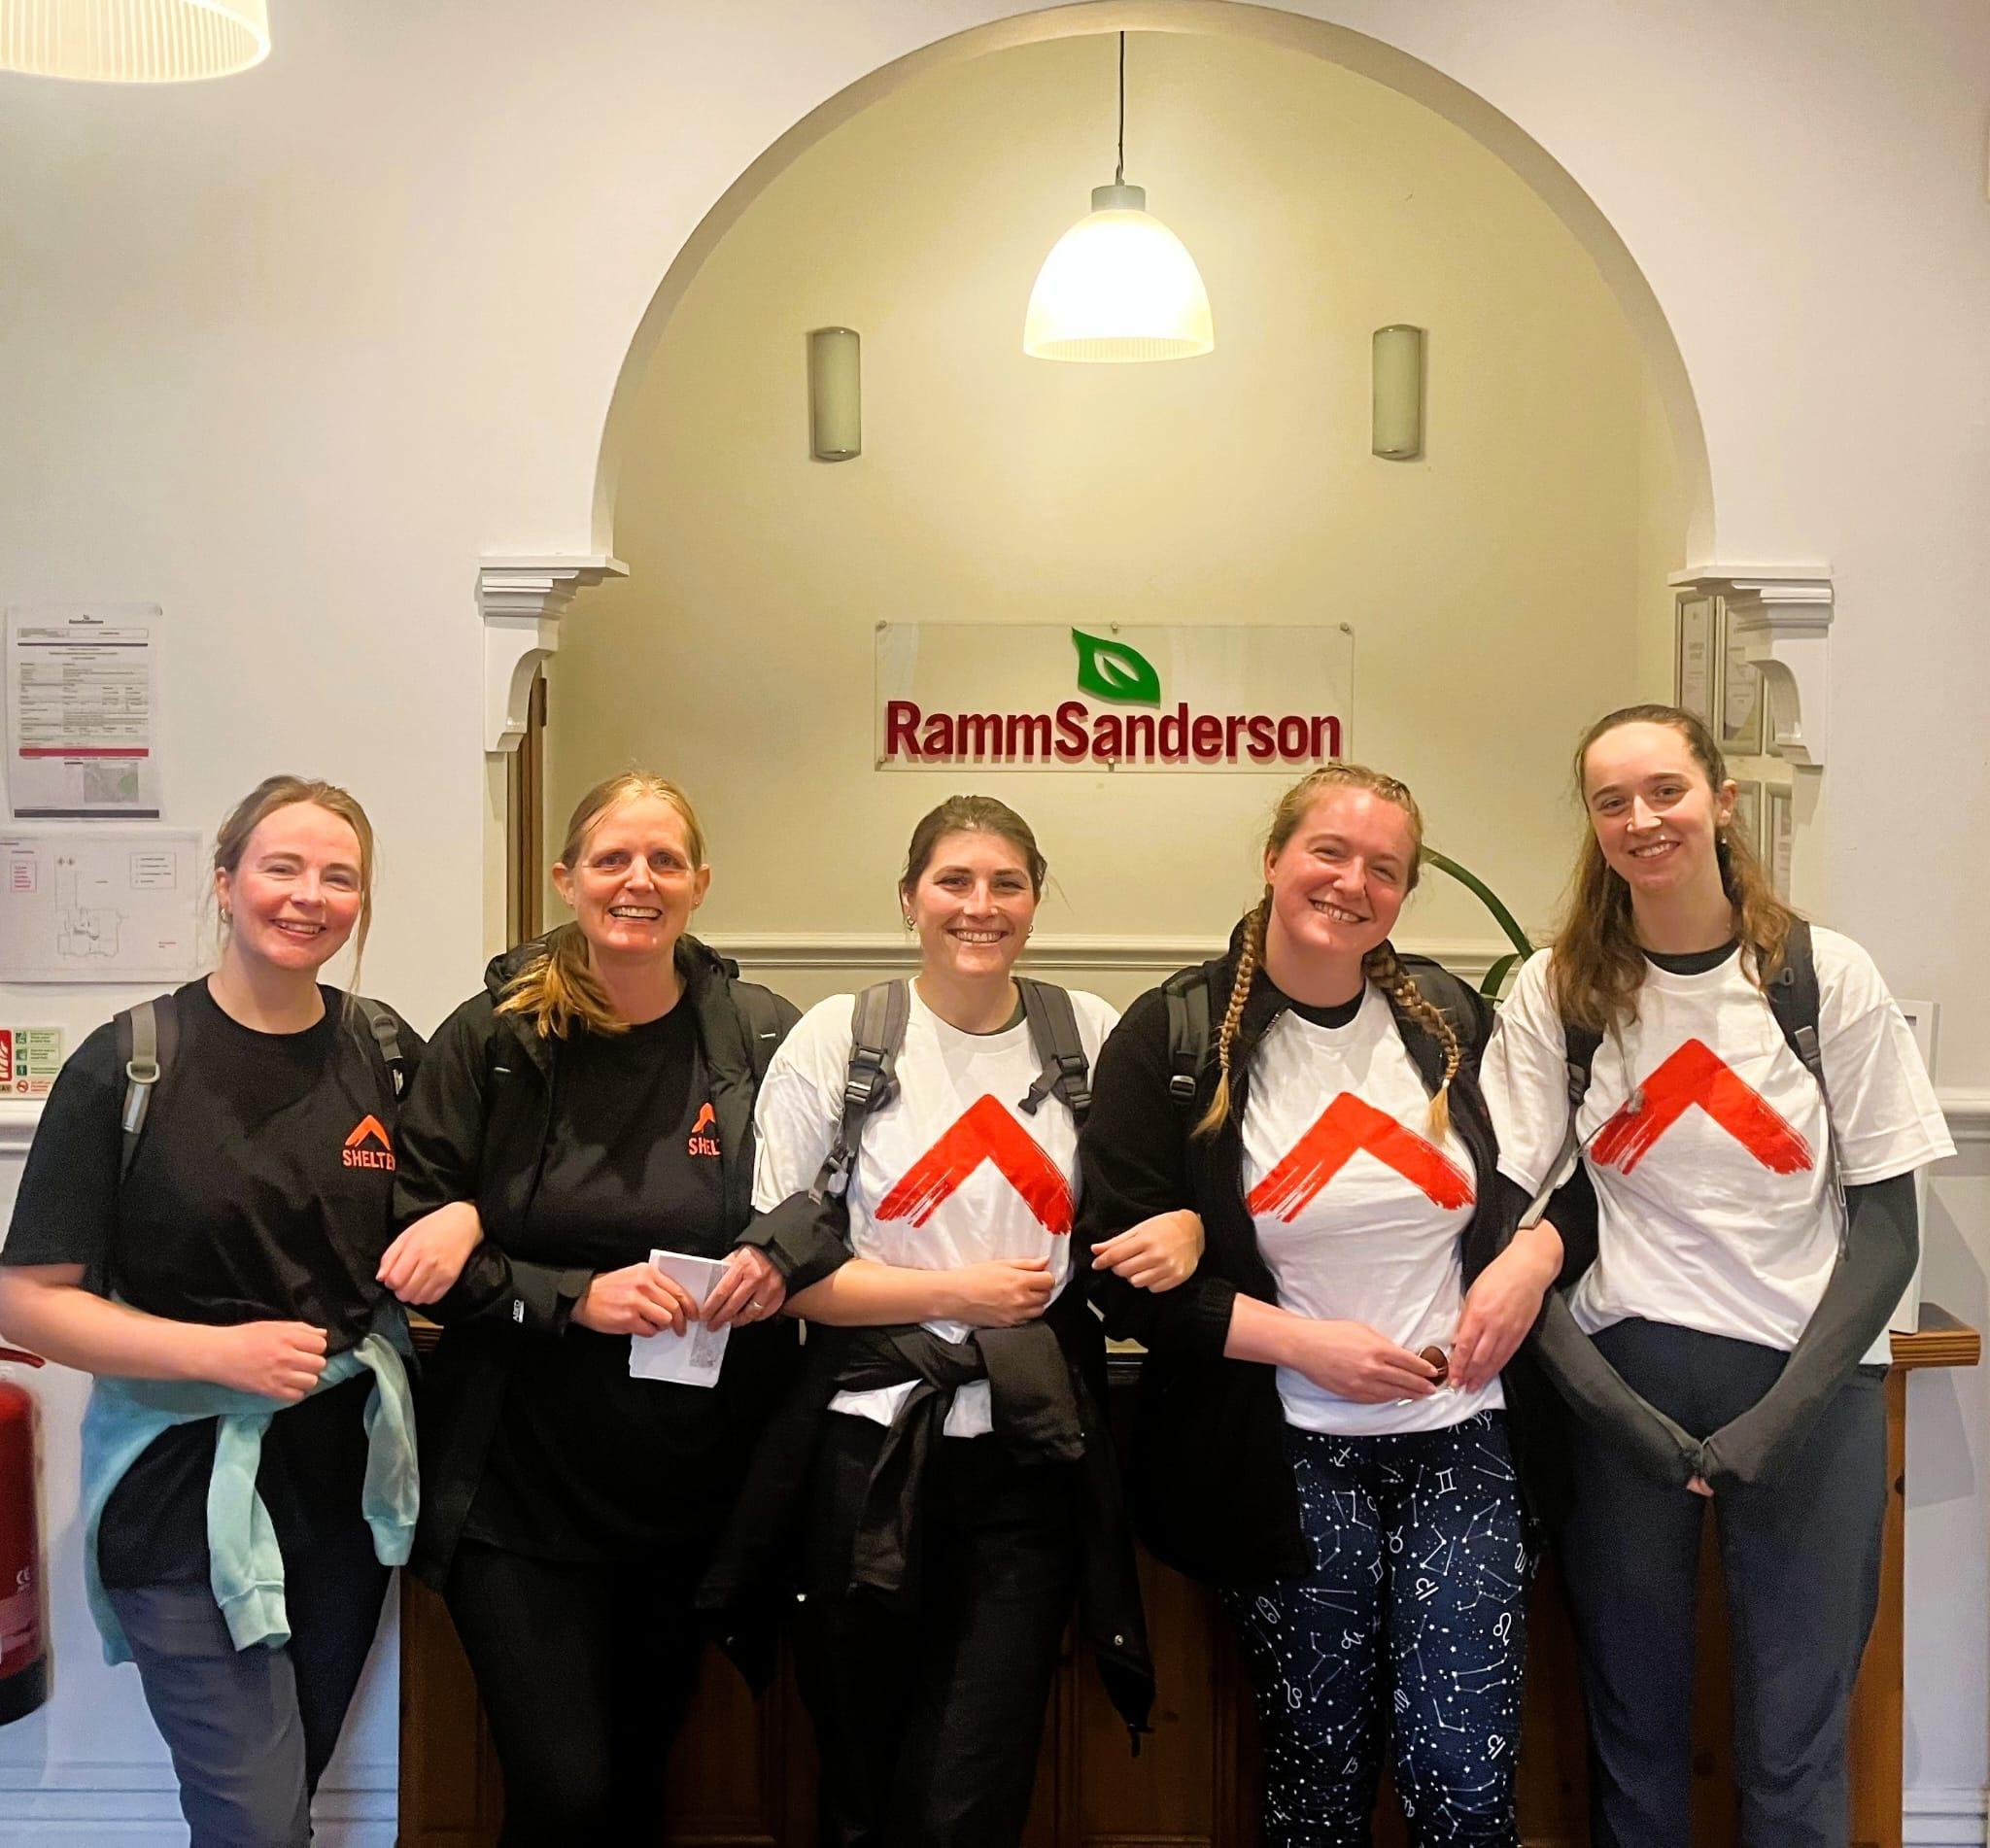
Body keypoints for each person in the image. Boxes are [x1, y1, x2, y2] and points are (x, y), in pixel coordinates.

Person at [1479, 703, 1954, 1848]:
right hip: (1621, 1384)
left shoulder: (1820, 977)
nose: (1641, 820)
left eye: (1665, 791)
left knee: (1794, 1745)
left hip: (1808, 1391)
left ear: (1719, 801)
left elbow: (1886, 1228)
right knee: (1632, 1733)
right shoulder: (1554, 991)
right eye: (1611, 802)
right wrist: (1617, 1420)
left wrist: (1775, 1423)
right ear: (1592, 825)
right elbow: (1507, 1226)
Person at [1078, 763, 1563, 1848]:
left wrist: (1531, 1262)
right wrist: (1305, 1345)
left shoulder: (1451, 1019)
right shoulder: (1171, 1033)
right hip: (1282, 1454)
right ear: (1272, 860)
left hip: (1463, 1438)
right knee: (1317, 1777)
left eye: (1383, 869)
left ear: (1404, 894)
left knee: (1462, 1778)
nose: (1352, 884)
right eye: (1328, 853)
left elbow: (1561, 1175)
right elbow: (1115, 1272)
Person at [703, 795, 1187, 1848]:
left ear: (1036, 899)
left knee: (968, 1792)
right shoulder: (843, 1038)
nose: (980, 905)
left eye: (1006, 884)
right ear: (909, 898)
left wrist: (1185, 1226)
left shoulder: (1086, 1035)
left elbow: (1150, 1203)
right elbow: (785, 1272)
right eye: (953, 882)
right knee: (858, 1779)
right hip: (861, 1457)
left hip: (1026, 1457)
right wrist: (954, 1295)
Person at [381, 770, 810, 1846]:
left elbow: (834, 1193)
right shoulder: (493, 1039)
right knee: (563, 1793)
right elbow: (418, 1247)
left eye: (664, 860)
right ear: (565, 879)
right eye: (613, 859)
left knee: (637, 1784)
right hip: (518, 1485)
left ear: (700, 882)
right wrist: (572, 1298)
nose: (638, 881)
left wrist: (778, 1254)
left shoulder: (762, 1035)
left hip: (692, 1482)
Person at [0, 776, 421, 1848]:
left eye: (339, 877)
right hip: (178, 1488)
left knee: (285, 1795)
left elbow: (444, 1202)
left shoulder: (383, 1051)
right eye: (282, 867)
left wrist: (459, 1218)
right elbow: (28, 1303)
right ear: (226, 882)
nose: (309, 895)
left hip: (340, 1494)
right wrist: (217, 1354)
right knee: (257, 1821)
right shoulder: (130, 1063)